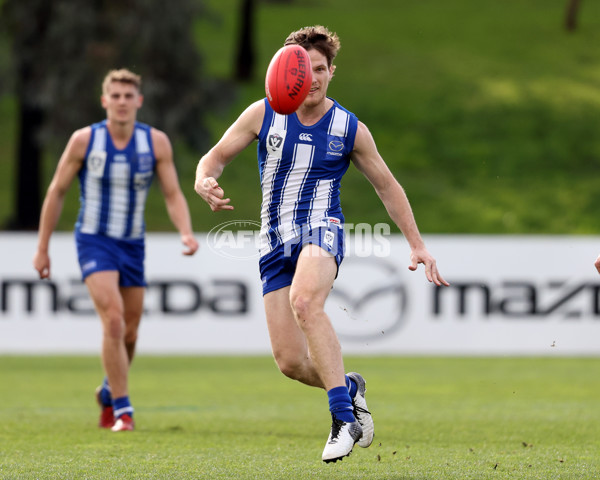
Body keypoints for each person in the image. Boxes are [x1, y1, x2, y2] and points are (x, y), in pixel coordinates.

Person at [194, 25, 449, 462]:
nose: (309, 79)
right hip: (273, 240)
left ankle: (341, 420)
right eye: (301, 70)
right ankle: (348, 388)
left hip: (321, 228)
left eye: (318, 69)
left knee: (306, 302)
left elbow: (388, 187)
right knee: (290, 363)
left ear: (332, 71)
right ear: (283, 72)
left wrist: (417, 244)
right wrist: (204, 179)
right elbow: (215, 156)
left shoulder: (349, 128)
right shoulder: (263, 113)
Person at [33, 69, 199, 432]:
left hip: (133, 244)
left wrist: (185, 231)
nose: (122, 102)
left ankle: (109, 391)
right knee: (112, 318)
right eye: (116, 96)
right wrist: (43, 247)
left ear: (138, 101)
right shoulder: (83, 141)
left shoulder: (155, 143)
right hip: (94, 240)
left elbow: (172, 194)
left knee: (130, 332)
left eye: (129, 96)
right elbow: (56, 192)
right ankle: (123, 410)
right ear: (105, 101)